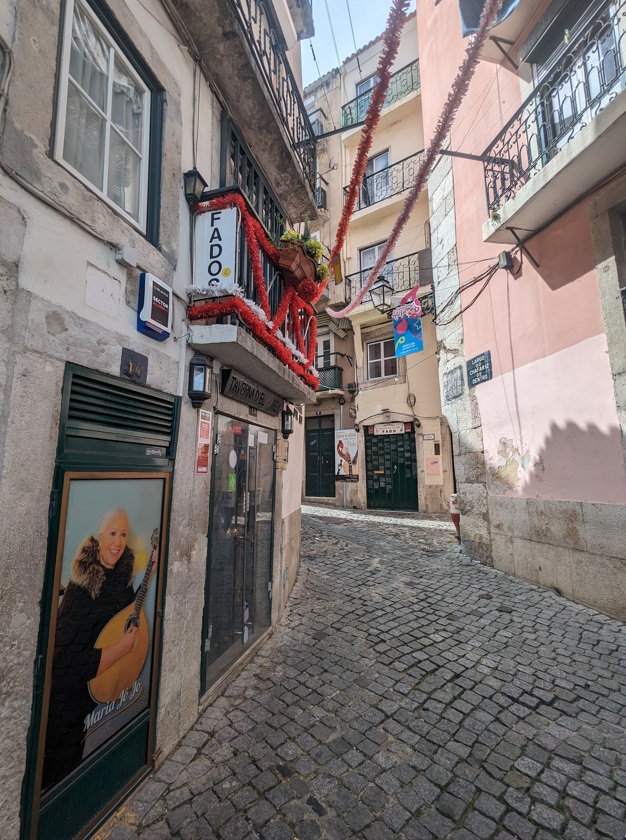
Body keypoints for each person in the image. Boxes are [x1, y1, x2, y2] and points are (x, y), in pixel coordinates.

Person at [41, 509, 153, 791]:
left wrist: (152, 566)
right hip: (65, 708)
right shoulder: (82, 587)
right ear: (99, 536)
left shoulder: (121, 574)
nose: (117, 542)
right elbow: (64, 660)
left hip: (98, 703)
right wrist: (119, 650)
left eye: (123, 534)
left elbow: (124, 617)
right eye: (112, 533)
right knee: (60, 775)